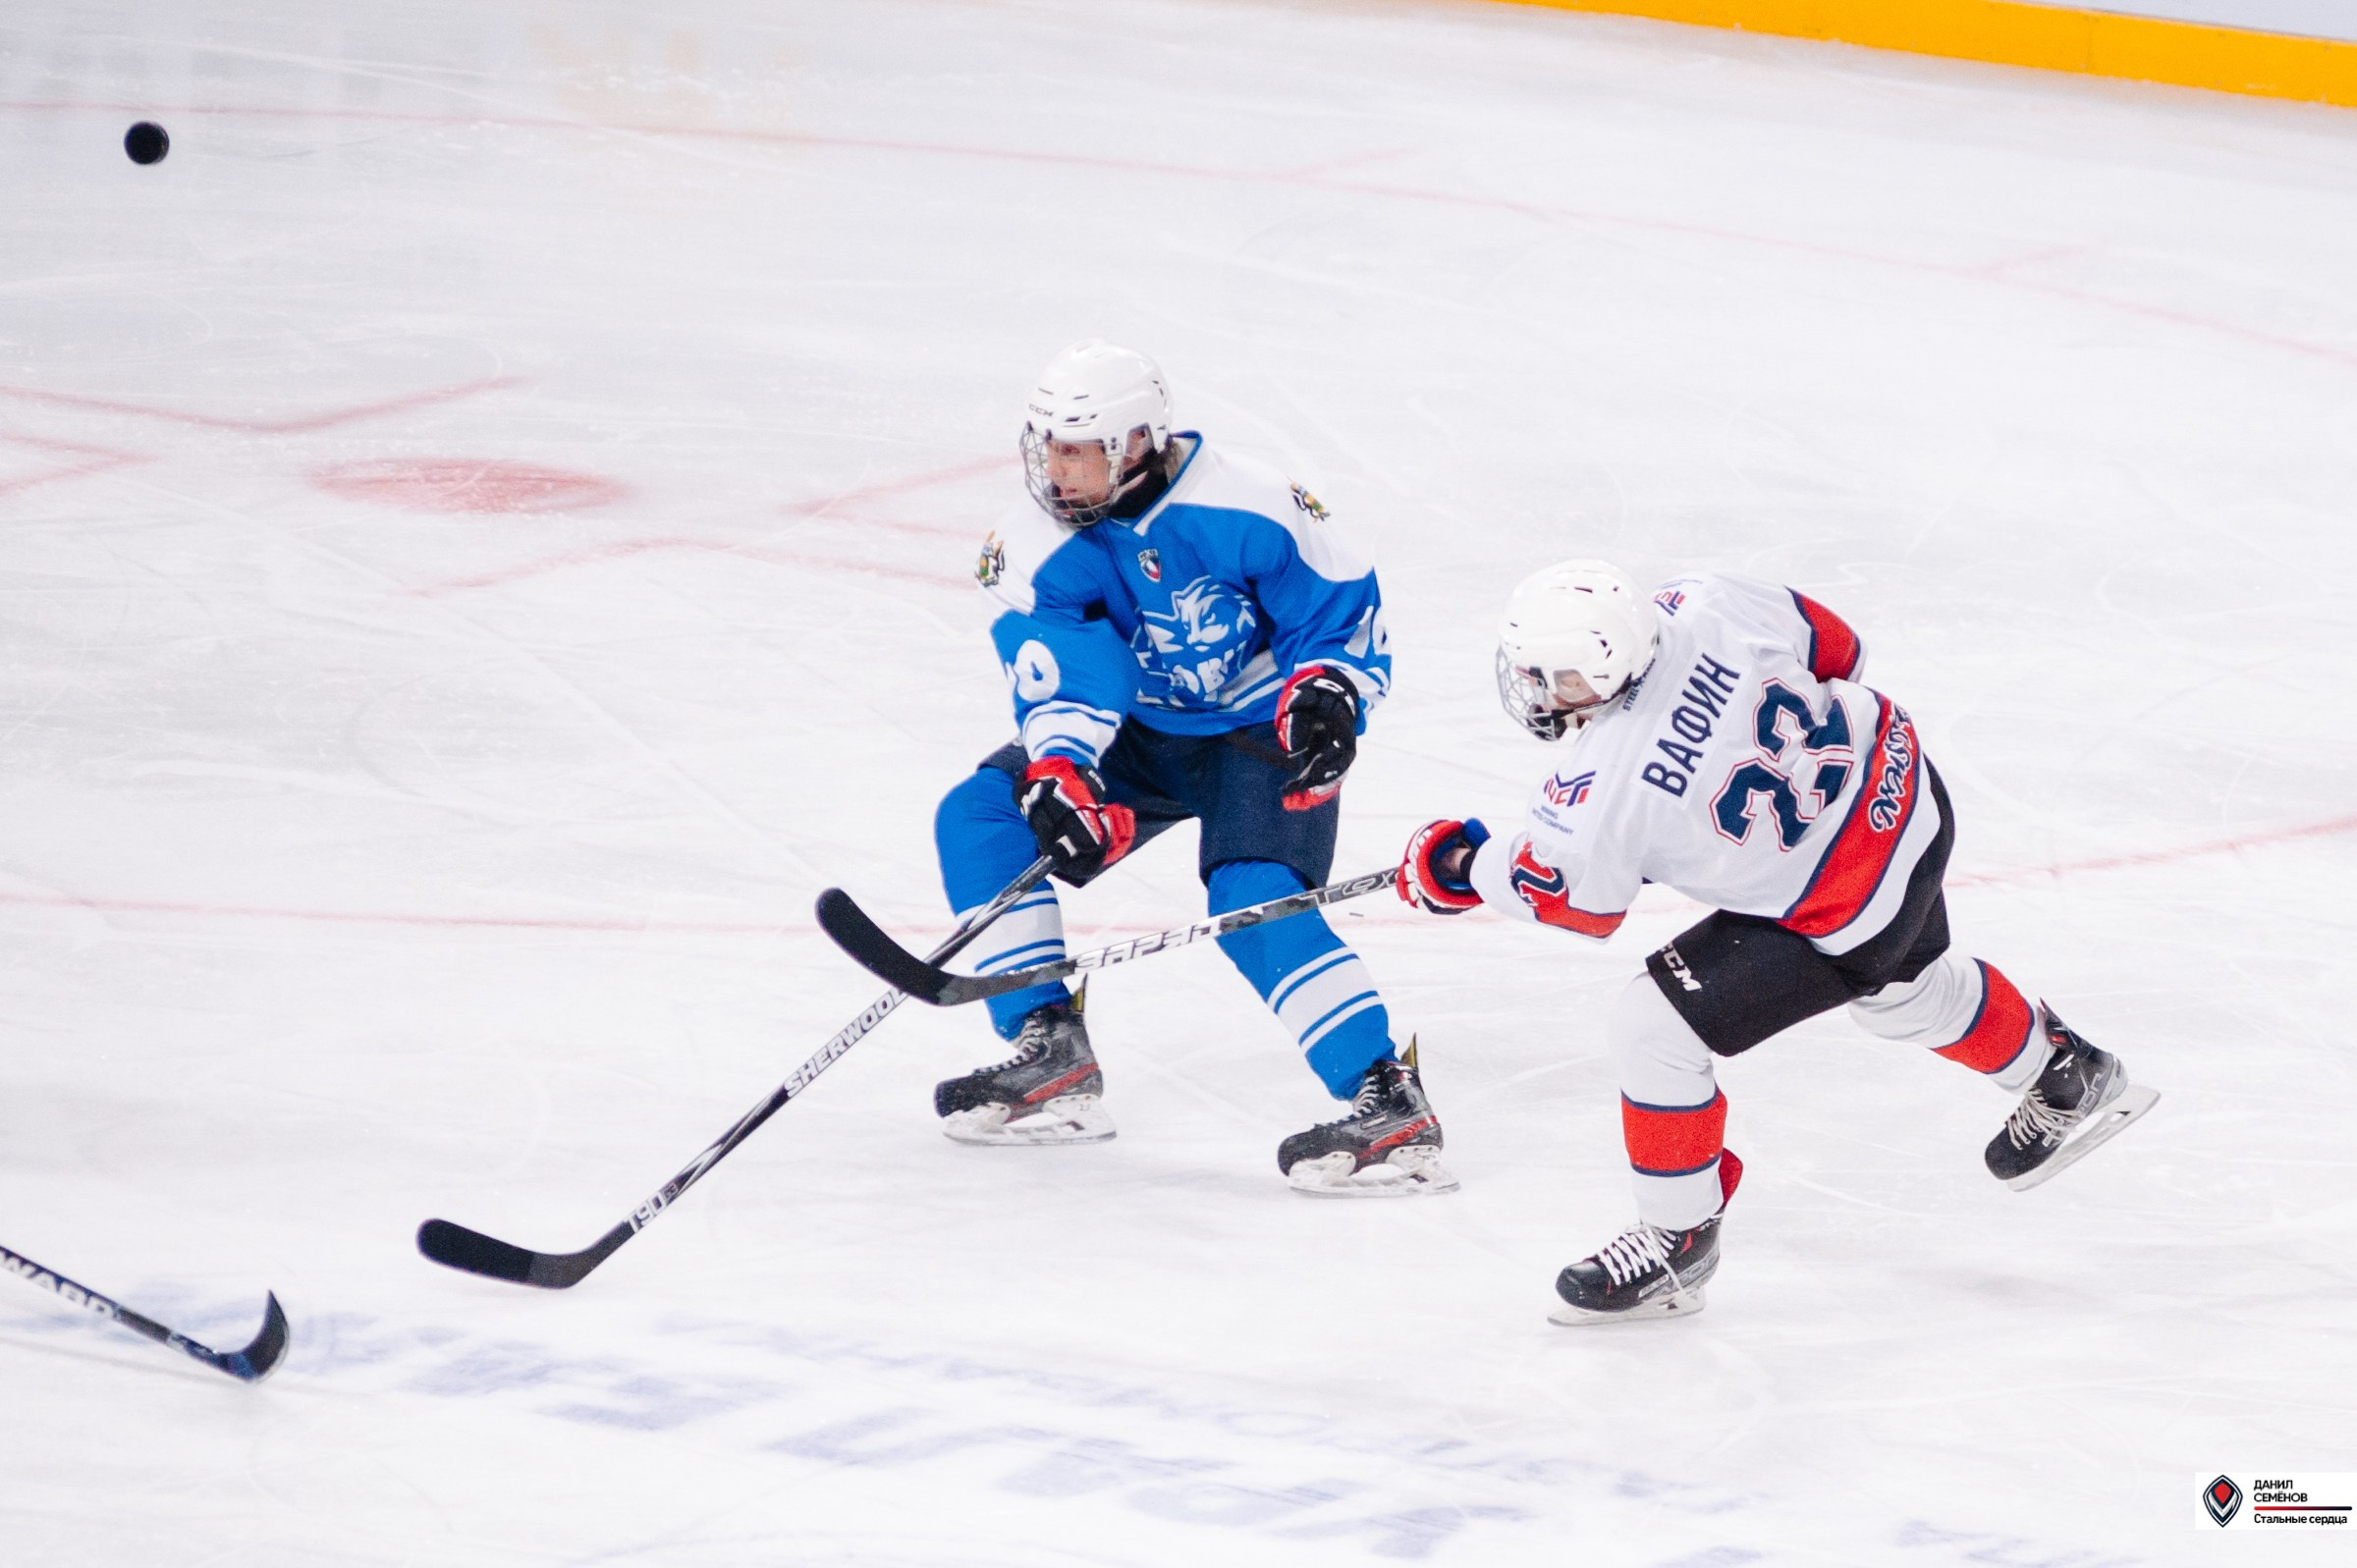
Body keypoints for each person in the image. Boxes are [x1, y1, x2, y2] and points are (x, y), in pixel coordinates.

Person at [1396, 562, 2158, 1318]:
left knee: (1652, 1028)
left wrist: (1455, 863)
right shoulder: (1707, 601)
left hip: (1849, 897)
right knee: (1903, 993)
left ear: (1601, 668)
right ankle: (2064, 1066)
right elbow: (1840, 649)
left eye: (1551, 677)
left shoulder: (1602, 790)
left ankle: (1677, 1238)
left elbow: (1576, 902)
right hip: (1909, 798)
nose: (1537, 691)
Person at [928, 340, 1453, 1197]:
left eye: (1080, 452)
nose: (1057, 474)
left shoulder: (1252, 504)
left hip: (1257, 731)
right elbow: (1069, 665)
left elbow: (1336, 615)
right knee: (978, 816)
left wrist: (1331, 693)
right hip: (1137, 729)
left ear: (1137, 443)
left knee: (1253, 896)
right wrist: (1063, 769)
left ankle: (1386, 1098)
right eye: (1048, 448)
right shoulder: (1033, 545)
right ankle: (1048, 1044)